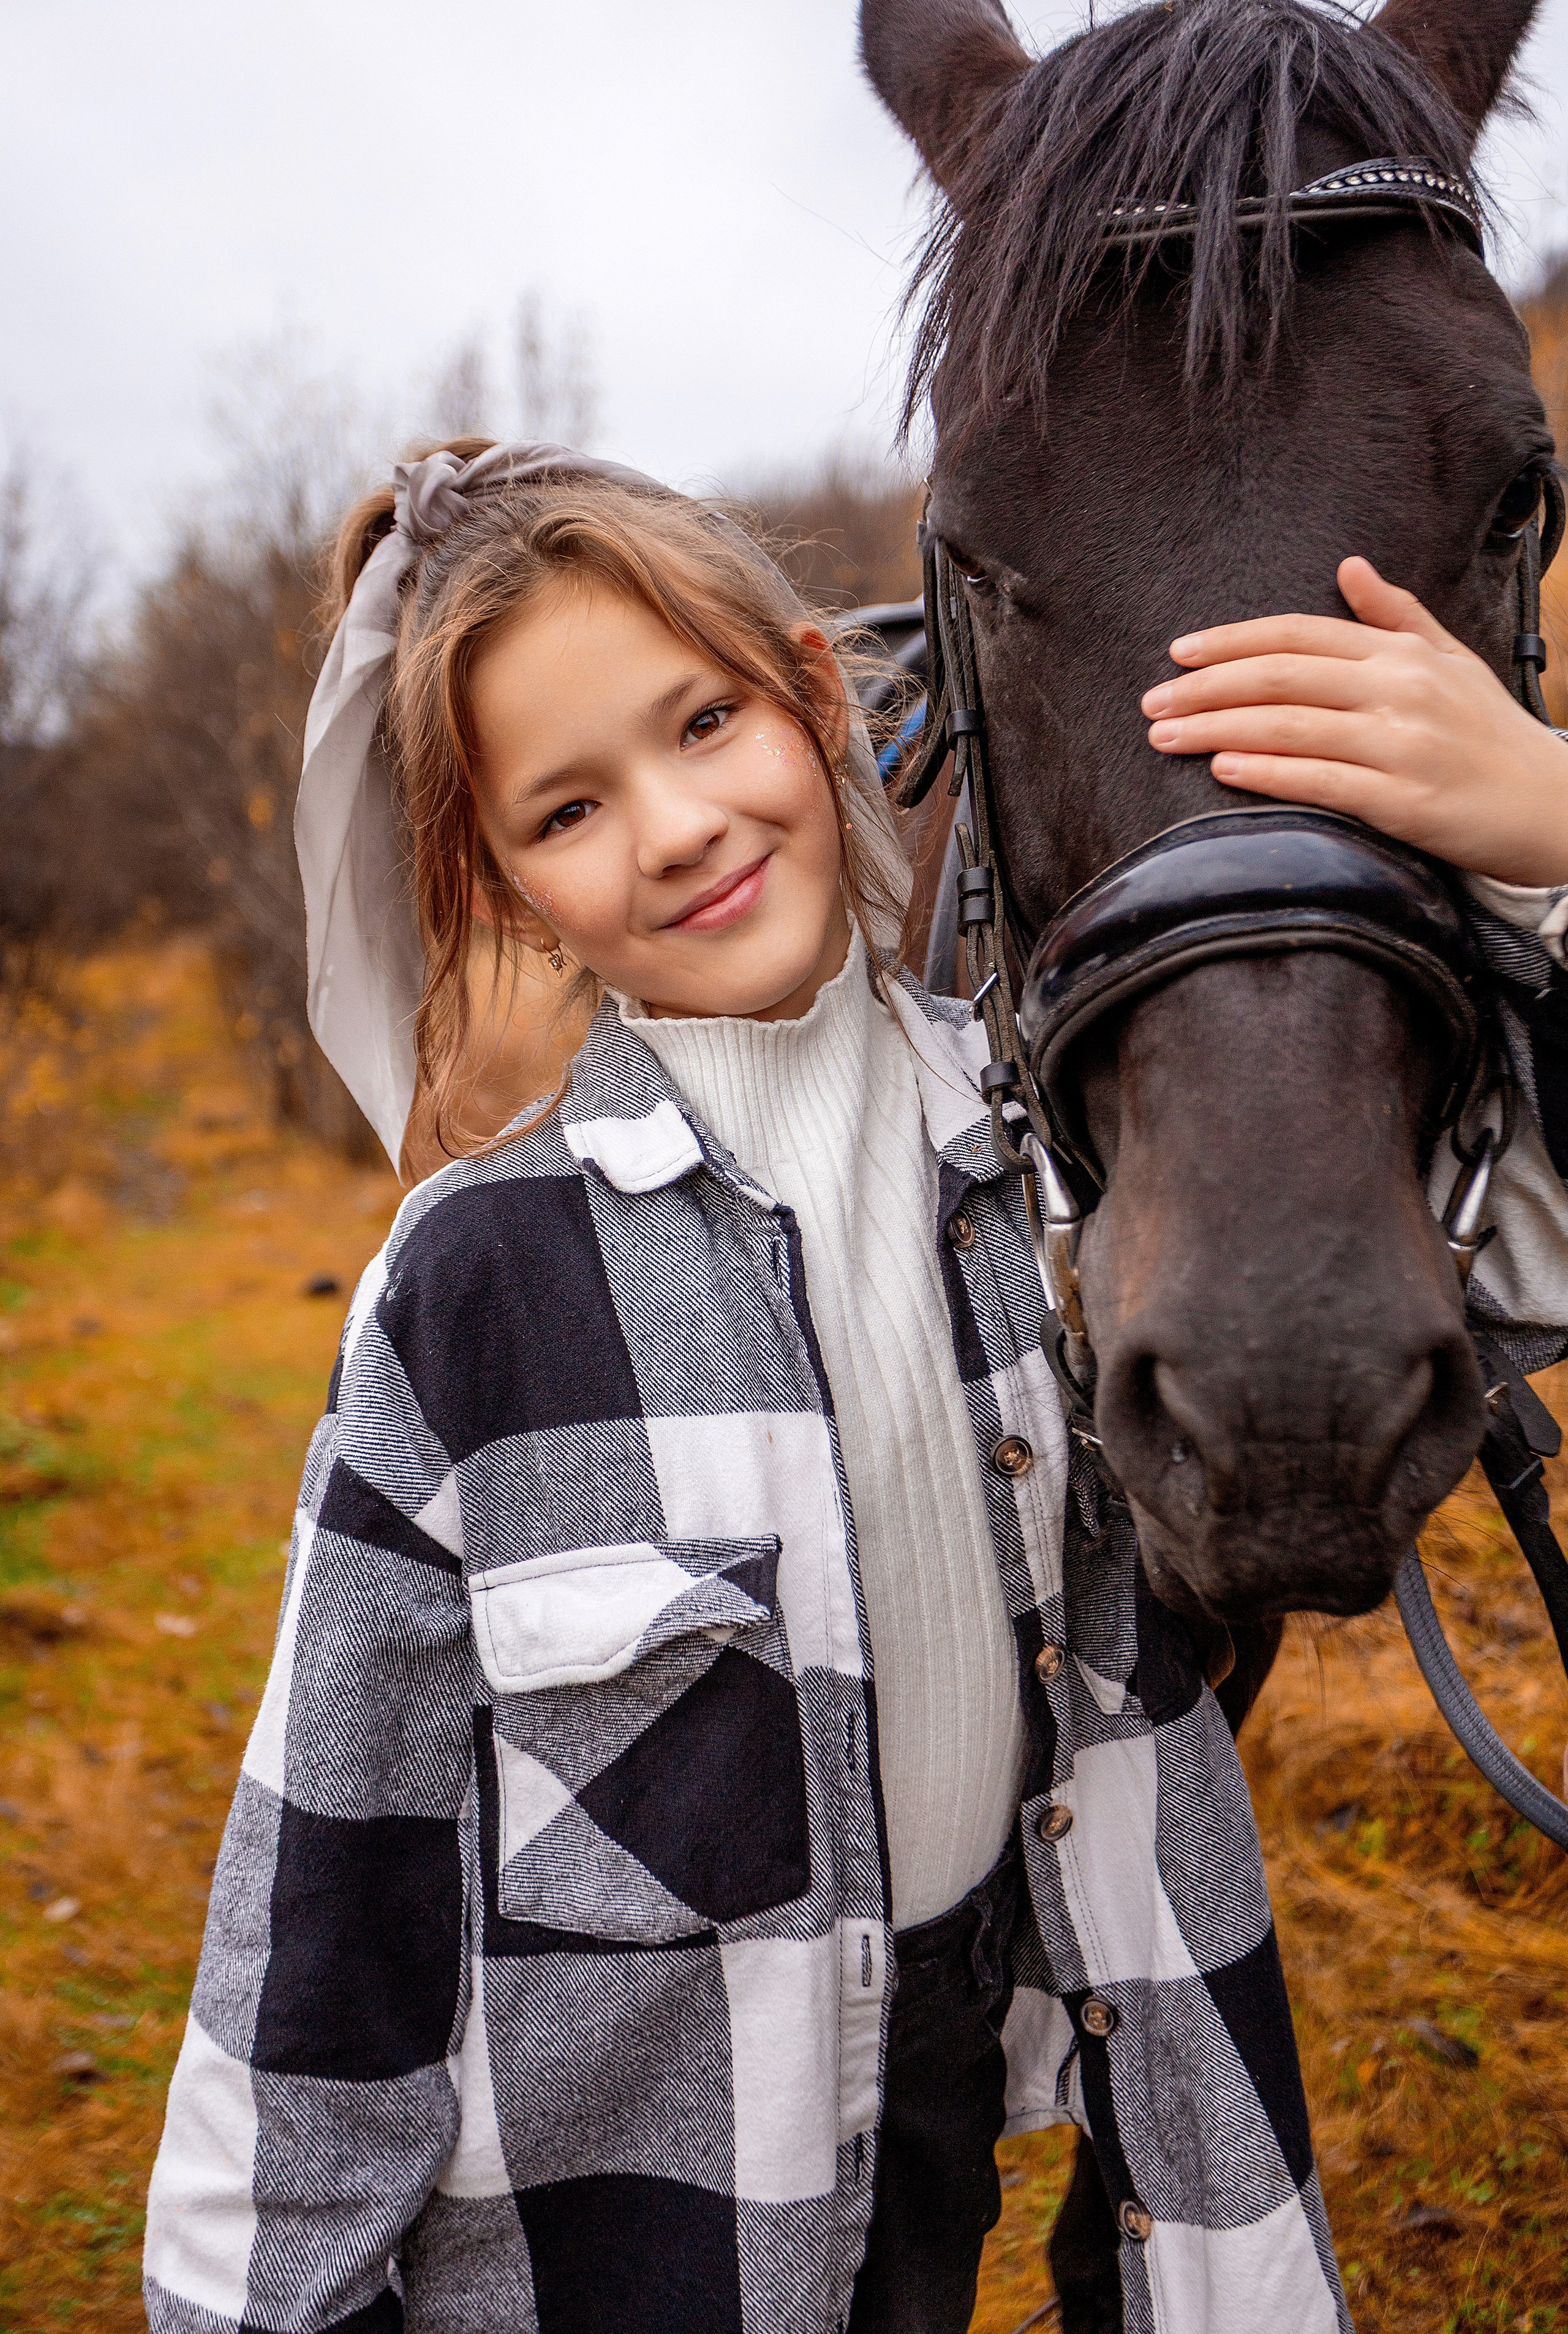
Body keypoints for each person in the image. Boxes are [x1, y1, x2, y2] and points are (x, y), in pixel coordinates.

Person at [141, 440, 1567, 2334]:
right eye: (569, 808)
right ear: (508, 885)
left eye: (706, 718)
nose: (671, 825)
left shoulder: (1049, 1143)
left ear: (823, 699)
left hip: (949, 2046)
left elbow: (1521, 1253)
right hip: (628, 2191)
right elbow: (331, 1883)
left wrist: (1548, 843)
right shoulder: (474, 1286)